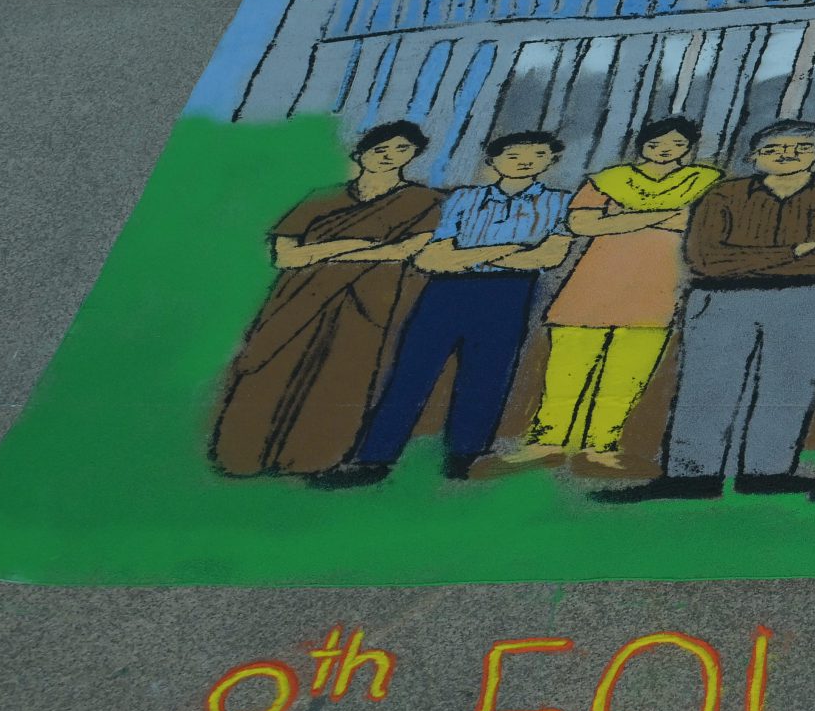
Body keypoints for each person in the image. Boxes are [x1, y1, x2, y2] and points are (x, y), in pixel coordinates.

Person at [594, 120, 815, 502]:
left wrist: (749, 259)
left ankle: (767, 473)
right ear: (753, 157)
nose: (786, 155)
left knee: (790, 386)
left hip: (810, 299)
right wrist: (794, 251)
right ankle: (692, 477)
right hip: (721, 299)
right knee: (705, 386)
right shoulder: (722, 195)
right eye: (773, 149)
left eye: (800, 148)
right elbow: (705, 258)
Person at [314, 130, 574, 486]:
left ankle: (466, 455)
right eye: (513, 155)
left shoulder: (560, 202)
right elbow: (432, 259)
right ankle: (372, 459)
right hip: (445, 292)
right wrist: (511, 249)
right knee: (411, 373)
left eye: (538, 155)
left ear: (551, 161)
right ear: (493, 160)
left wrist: (468, 256)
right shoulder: (464, 198)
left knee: (488, 376)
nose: (525, 162)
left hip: (508, 294)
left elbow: (548, 257)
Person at [210, 120, 444, 476]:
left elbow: (403, 250)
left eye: (402, 149)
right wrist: (350, 245)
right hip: (300, 296)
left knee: (345, 373)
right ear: (361, 154)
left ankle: (312, 459)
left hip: (368, 302)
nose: (389, 156)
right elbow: (286, 257)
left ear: (414, 154)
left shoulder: (423, 201)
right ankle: (242, 455)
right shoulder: (323, 198)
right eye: (380, 149)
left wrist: (322, 252)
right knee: (272, 365)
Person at [508, 116, 721, 469]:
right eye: (657, 143)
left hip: (658, 287)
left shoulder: (704, 181)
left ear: (689, 148)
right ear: (642, 145)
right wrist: (664, 216)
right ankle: (546, 440)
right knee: (565, 372)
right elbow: (581, 223)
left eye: (676, 144)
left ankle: (602, 445)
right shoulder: (610, 179)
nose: (665, 150)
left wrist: (620, 219)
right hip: (592, 285)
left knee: (628, 375)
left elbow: (701, 224)